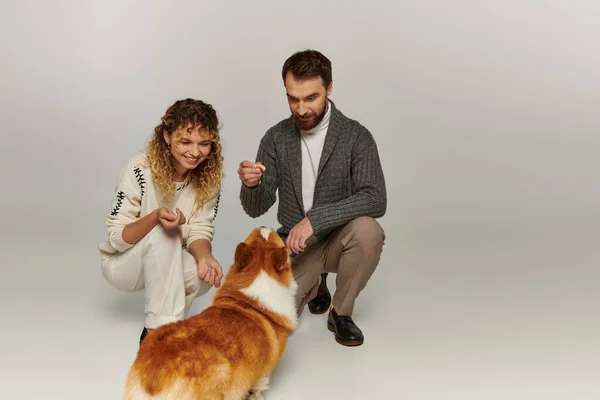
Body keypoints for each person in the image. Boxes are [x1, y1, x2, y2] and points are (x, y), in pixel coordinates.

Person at [237, 50, 386, 346]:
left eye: (311, 98)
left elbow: (375, 198)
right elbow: (256, 209)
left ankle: (340, 313)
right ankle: (316, 286)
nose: (301, 108)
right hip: (295, 246)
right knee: (267, 321)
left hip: (339, 240)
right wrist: (251, 185)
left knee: (369, 231)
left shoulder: (357, 136)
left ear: (329, 89)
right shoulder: (275, 138)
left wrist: (316, 220)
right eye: (293, 98)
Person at [98, 98, 224, 345]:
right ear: (167, 136)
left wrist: (205, 256)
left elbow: (200, 229)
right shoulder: (139, 169)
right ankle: (158, 337)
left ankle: (165, 329)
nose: (195, 152)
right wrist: (155, 218)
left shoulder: (209, 176)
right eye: (185, 141)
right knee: (167, 234)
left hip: (167, 261)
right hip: (123, 264)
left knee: (199, 273)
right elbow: (117, 238)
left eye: (204, 144)